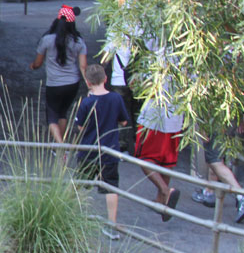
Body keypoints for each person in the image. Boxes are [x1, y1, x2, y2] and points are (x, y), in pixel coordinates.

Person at [73, 64, 130, 240]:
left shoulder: (86, 102)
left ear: (88, 82)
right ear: (106, 79)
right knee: (111, 186)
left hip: (89, 150)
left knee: (80, 185)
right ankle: (111, 224)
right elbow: (124, 122)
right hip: (110, 150)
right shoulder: (115, 99)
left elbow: (80, 126)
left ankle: (73, 219)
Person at [30, 5, 88, 143]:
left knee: (52, 117)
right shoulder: (78, 41)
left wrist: (32, 66)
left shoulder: (48, 40)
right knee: (62, 113)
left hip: (54, 84)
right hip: (72, 83)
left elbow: (37, 63)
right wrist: (89, 84)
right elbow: (83, 66)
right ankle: (58, 145)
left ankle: (60, 145)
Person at [135, 93, 184, 222]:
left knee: (145, 159)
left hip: (154, 117)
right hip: (175, 117)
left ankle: (165, 191)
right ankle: (161, 200)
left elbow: (143, 88)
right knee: (167, 161)